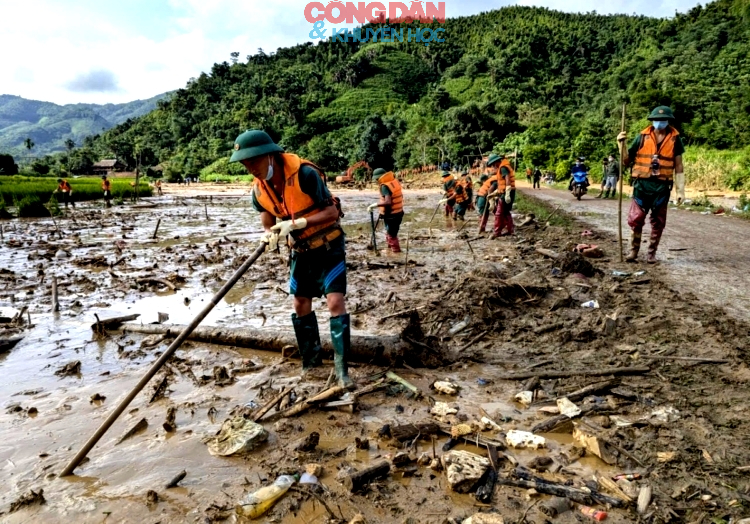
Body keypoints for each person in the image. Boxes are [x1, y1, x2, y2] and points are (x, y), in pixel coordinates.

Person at [229, 129, 353, 388]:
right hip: (301, 251)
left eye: (254, 161)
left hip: (328, 245)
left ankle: (342, 372)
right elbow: (267, 217)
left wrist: (299, 223)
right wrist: (269, 234)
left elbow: (332, 212)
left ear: (271, 155)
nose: (250, 167)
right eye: (245, 163)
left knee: (335, 302)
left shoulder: (306, 174)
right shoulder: (258, 190)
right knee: (299, 304)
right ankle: (311, 363)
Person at [617, 105, 685, 264]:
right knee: (637, 219)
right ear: (652, 120)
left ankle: (651, 254)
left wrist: (680, 190)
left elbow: (679, 165)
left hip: (662, 187)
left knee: (658, 221)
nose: (659, 123)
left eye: (662, 120)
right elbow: (626, 161)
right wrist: (621, 145)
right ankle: (633, 251)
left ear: (668, 121)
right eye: (656, 120)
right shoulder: (642, 137)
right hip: (642, 185)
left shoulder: (676, 139)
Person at [368, 168, 404, 253]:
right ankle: (390, 250)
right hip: (398, 213)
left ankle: (396, 253)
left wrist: (375, 205)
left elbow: (388, 202)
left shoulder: (384, 186)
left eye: (377, 179)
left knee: (392, 235)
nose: (377, 181)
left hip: (392, 215)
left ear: (379, 178)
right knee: (390, 233)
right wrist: (382, 212)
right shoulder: (393, 182)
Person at [487, 153, 516, 237]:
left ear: (496, 162)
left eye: (493, 164)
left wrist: (507, 192)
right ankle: (511, 230)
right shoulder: (504, 166)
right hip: (509, 191)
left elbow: (507, 179)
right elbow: (501, 184)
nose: (493, 166)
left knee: (499, 213)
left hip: (507, 192)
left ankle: (497, 232)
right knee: (506, 212)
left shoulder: (503, 168)